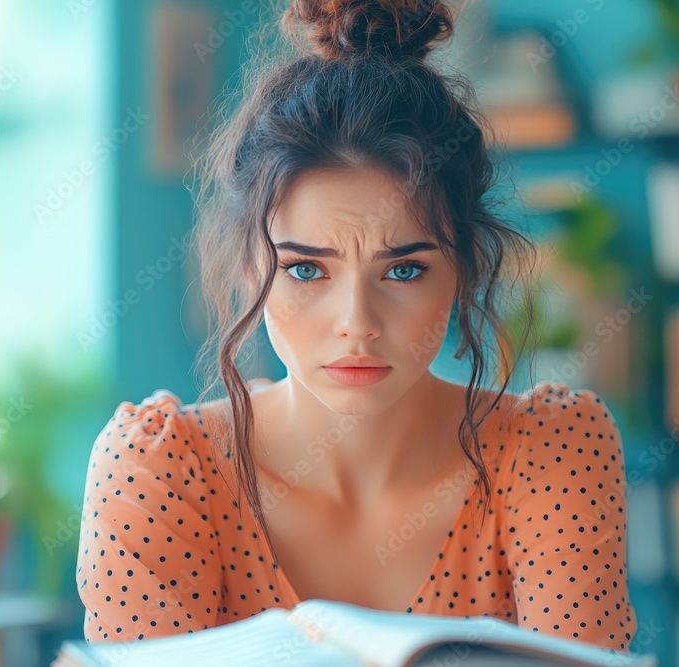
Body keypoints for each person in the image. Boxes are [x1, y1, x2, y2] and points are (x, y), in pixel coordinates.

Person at [75, 0, 637, 653]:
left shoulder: (550, 454)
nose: (357, 325)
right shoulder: (158, 470)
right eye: (308, 271)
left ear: (464, 268)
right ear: (250, 264)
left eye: (403, 272)